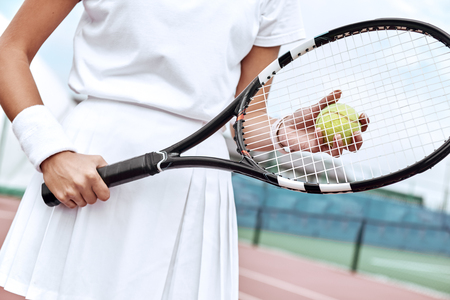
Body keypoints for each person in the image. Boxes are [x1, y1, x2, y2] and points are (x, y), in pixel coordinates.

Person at [0, 0, 368, 299]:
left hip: (193, 184)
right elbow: (10, 49)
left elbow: (244, 119)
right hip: (90, 165)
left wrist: (279, 135)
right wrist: (50, 152)